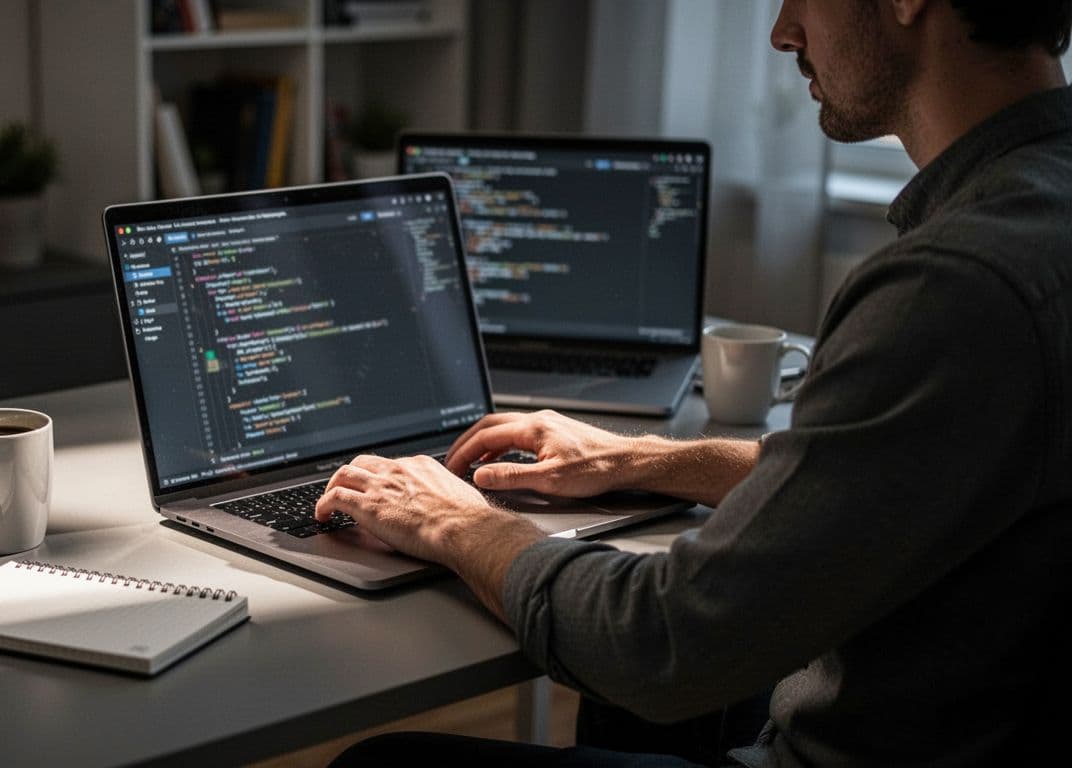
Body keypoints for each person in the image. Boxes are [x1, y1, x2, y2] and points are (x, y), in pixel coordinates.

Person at [318, 0, 1072, 765]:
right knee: (641, 713)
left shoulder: (953, 288)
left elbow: (659, 645)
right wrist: (642, 460)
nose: (783, 31)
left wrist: (460, 525)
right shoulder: (1041, 207)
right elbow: (907, 472)